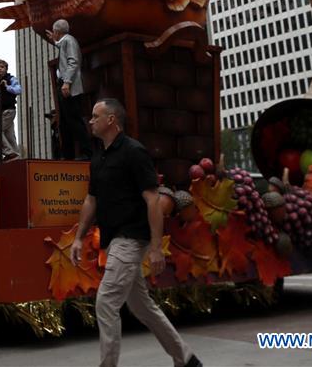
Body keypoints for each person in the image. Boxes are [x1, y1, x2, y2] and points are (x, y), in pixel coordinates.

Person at [71, 99, 201, 367]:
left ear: (111, 121)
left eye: (96, 116)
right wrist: (77, 237)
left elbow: (153, 200)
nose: (91, 121)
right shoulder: (98, 159)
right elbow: (91, 200)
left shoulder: (134, 152)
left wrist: (155, 247)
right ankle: (186, 359)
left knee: (106, 302)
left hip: (131, 237)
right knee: (142, 307)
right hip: (114, 238)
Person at [46, 19, 92, 160]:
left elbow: (73, 61)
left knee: (74, 119)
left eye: (55, 32)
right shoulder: (65, 41)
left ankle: (87, 152)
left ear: (57, 32)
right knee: (65, 121)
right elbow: (62, 47)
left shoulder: (69, 41)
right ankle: (68, 155)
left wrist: (67, 82)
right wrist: (54, 40)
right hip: (65, 84)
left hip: (68, 85)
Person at [0, 58, 22, 162]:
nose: (0, 69)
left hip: (9, 110)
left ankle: (9, 152)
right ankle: (16, 155)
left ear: (6, 69)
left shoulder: (11, 79)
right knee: (9, 135)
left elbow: (18, 90)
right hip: (3, 111)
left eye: (2, 67)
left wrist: (7, 87)